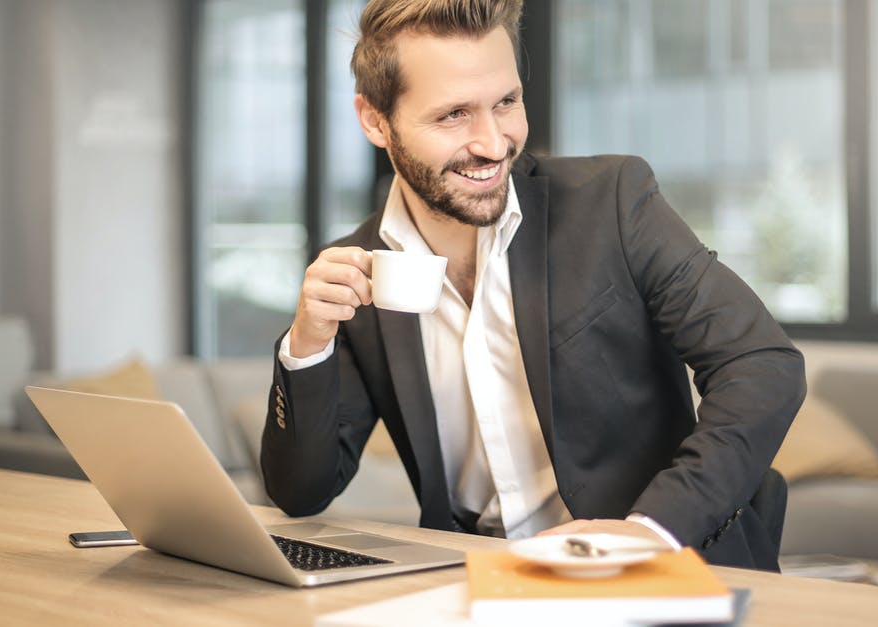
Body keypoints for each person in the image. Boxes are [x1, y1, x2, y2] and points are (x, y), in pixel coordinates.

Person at [261, 0, 806, 570]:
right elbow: (300, 493)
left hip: (655, 572)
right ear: (375, 120)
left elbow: (763, 364)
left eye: (506, 102)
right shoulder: (360, 271)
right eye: (453, 115)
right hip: (475, 580)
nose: (493, 143)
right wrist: (307, 346)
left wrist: (651, 531)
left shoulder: (612, 202)